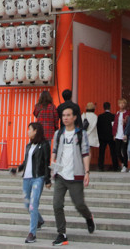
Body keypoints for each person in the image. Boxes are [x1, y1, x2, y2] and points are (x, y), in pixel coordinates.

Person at [49, 106, 95, 245]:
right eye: (63, 115)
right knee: (57, 204)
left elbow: (85, 153)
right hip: (61, 175)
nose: (65, 118)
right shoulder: (59, 133)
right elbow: (55, 152)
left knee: (79, 204)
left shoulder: (81, 134)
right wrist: (53, 169)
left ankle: (88, 217)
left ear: (75, 117)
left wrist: (87, 172)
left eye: (68, 115)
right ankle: (61, 233)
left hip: (76, 175)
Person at [12, 122, 51, 244]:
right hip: (26, 178)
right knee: (26, 204)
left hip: (37, 178)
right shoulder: (29, 146)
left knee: (33, 205)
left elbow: (46, 163)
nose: (28, 131)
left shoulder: (44, 145)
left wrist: (47, 179)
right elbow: (26, 162)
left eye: (30, 129)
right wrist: (17, 169)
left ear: (36, 131)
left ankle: (32, 233)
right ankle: (39, 220)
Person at [96, 102, 116, 172]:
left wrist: (98, 136)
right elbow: (114, 126)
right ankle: (115, 166)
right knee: (113, 152)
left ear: (103, 108)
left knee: (101, 152)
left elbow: (98, 127)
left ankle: (100, 166)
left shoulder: (100, 116)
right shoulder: (113, 116)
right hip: (111, 136)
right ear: (110, 107)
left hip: (102, 137)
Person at [113, 99, 130, 172]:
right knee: (117, 151)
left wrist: (126, 121)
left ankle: (125, 165)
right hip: (117, 134)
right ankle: (123, 162)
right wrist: (114, 134)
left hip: (124, 134)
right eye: (120, 104)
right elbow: (115, 124)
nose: (122, 105)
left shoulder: (128, 113)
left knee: (124, 150)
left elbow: (129, 124)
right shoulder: (117, 113)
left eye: (123, 103)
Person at [82, 103, 98, 171]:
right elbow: (94, 125)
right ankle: (87, 166)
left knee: (83, 151)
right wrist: (89, 132)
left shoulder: (83, 115)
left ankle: (83, 165)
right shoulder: (95, 116)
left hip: (83, 134)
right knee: (89, 151)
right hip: (91, 135)